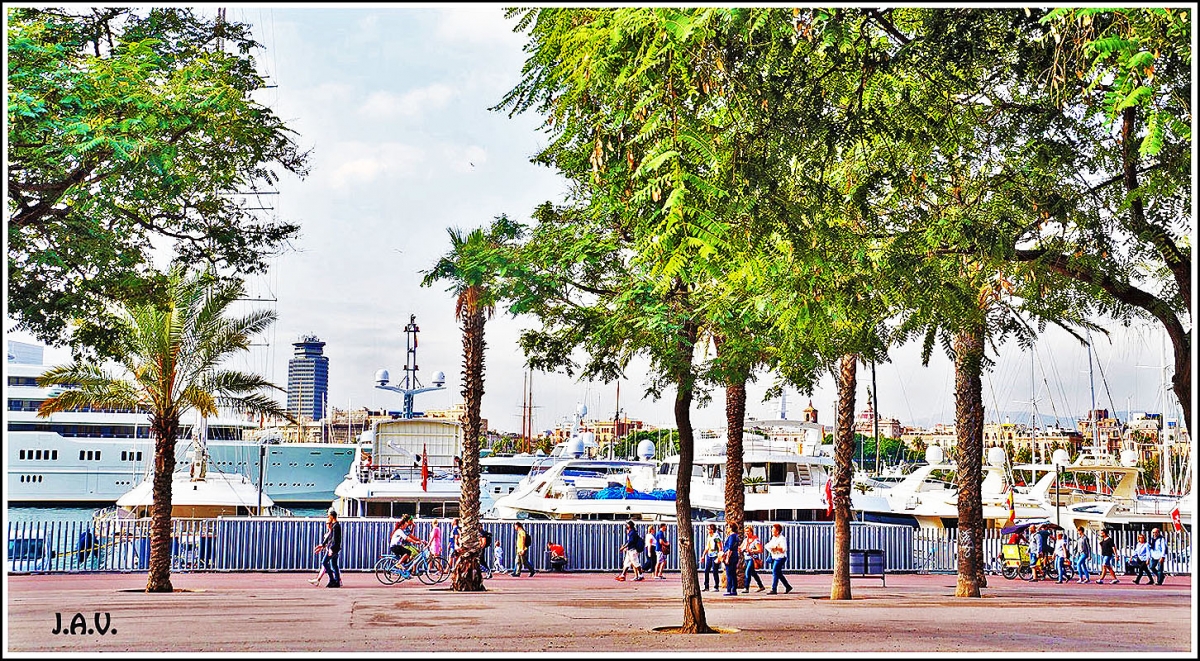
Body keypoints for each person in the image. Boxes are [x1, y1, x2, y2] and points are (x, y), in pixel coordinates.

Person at [314, 509, 342, 588]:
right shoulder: (334, 525)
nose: (328, 518)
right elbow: (330, 537)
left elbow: (335, 539)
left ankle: (332, 579)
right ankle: (336, 581)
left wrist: (331, 549)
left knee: (324, 562)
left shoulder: (336, 526)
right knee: (334, 565)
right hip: (335, 548)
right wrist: (322, 545)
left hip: (333, 549)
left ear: (332, 517)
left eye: (329, 516)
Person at [764, 523, 793, 595]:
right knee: (778, 573)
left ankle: (774, 589)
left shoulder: (782, 538)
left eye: (773, 530)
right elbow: (767, 545)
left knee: (775, 571)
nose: (771, 531)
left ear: (777, 531)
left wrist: (776, 548)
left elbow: (784, 549)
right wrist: (774, 548)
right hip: (775, 557)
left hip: (780, 557)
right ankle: (787, 586)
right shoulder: (773, 538)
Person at [740, 524, 766, 592]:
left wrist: (751, 550)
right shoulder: (745, 540)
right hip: (746, 558)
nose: (747, 533)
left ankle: (746, 587)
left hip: (752, 558)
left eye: (748, 531)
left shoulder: (755, 540)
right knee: (753, 573)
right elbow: (741, 547)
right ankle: (761, 586)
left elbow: (760, 550)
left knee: (747, 572)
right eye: (746, 531)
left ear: (751, 532)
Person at [701, 523, 722, 592]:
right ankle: (706, 586)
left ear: (712, 530)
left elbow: (720, 547)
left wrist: (719, 556)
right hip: (709, 555)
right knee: (706, 570)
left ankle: (716, 586)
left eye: (709, 529)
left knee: (715, 571)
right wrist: (703, 555)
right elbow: (707, 547)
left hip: (715, 555)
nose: (707, 530)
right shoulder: (709, 536)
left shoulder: (716, 537)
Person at [721, 523, 740, 596]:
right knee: (733, 573)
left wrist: (727, 558)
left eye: (728, 527)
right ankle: (733, 589)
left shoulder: (732, 536)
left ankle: (729, 589)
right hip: (735, 556)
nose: (727, 528)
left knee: (729, 573)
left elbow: (730, 548)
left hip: (731, 556)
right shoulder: (736, 536)